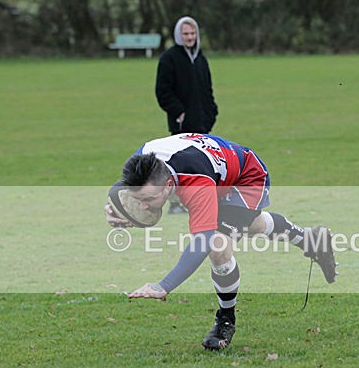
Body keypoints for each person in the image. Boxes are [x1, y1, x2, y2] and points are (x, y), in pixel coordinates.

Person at [104, 133, 337, 350]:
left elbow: (202, 243)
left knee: (217, 245)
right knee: (249, 225)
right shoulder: (140, 164)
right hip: (216, 169)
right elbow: (118, 192)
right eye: (139, 199)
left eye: (148, 199)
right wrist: (117, 211)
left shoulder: (195, 184)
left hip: (246, 177)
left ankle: (225, 319)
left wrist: (163, 286)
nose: (144, 205)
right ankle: (311, 239)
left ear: (167, 186)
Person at [155, 16, 218, 214]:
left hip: (201, 123)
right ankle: (175, 203)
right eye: (186, 34)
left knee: (201, 164)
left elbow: (207, 89)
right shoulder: (169, 58)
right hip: (181, 124)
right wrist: (179, 113)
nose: (190, 37)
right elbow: (163, 91)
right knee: (179, 165)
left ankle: (197, 203)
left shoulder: (200, 58)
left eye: (192, 33)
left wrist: (211, 112)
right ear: (178, 35)